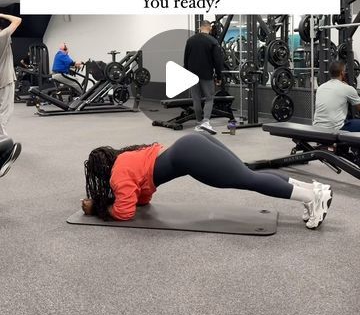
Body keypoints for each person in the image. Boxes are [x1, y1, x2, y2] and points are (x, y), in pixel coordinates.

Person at [82, 133, 333, 230]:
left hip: (189, 154)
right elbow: (142, 200)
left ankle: (312, 198)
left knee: (246, 179)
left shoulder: (117, 176)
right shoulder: (125, 158)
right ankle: (313, 190)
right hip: (192, 143)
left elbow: (125, 212)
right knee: (248, 173)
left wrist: (98, 208)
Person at [184, 20, 223, 134]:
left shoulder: (190, 41)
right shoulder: (212, 41)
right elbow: (217, 61)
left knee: (196, 99)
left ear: (200, 28)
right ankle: (205, 122)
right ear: (209, 28)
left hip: (192, 74)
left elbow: (185, 60)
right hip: (206, 75)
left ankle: (198, 122)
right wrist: (219, 76)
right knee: (209, 98)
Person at [313, 60, 360, 131]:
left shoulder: (320, 87)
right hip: (335, 128)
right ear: (342, 73)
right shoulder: (347, 88)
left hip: (317, 127)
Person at [0, 12, 22, 138]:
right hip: (4, 79)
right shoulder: (2, 35)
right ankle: (2, 139)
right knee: (5, 112)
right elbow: (17, 20)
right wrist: (1, 14)